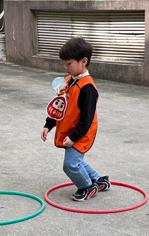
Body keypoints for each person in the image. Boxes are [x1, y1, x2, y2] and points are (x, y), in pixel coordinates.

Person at [40, 37, 110, 201]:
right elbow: (59, 106)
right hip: (70, 129)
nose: (66, 68)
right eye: (64, 64)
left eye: (69, 64)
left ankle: (87, 186)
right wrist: (48, 125)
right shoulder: (67, 81)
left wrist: (73, 137)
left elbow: (87, 119)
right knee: (76, 160)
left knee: (70, 164)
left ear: (84, 61)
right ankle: (98, 180)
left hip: (82, 132)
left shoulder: (88, 88)